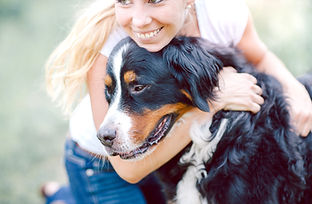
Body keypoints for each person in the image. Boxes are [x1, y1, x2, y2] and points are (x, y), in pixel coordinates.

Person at [43, 0, 312, 203]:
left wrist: (295, 90)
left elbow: (260, 56)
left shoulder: (221, 11)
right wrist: (213, 102)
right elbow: (128, 169)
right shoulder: (109, 42)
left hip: (167, 153)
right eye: (125, 0)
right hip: (103, 165)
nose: (139, 21)